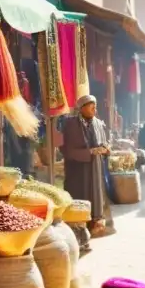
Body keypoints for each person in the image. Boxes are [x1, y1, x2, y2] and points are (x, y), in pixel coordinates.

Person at [62, 94, 112, 237]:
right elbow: (68, 150)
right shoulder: (71, 124)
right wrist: (89, 152)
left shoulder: (98, 123)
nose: (94, 110)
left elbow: (105, 142)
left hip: (95, 168)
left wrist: (105, 149)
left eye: (95, 107)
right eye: (91, 107)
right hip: (77, 169)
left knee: (95, 194)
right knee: (79, 195)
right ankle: (78, 227)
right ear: (82, 108)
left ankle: (94, 223)